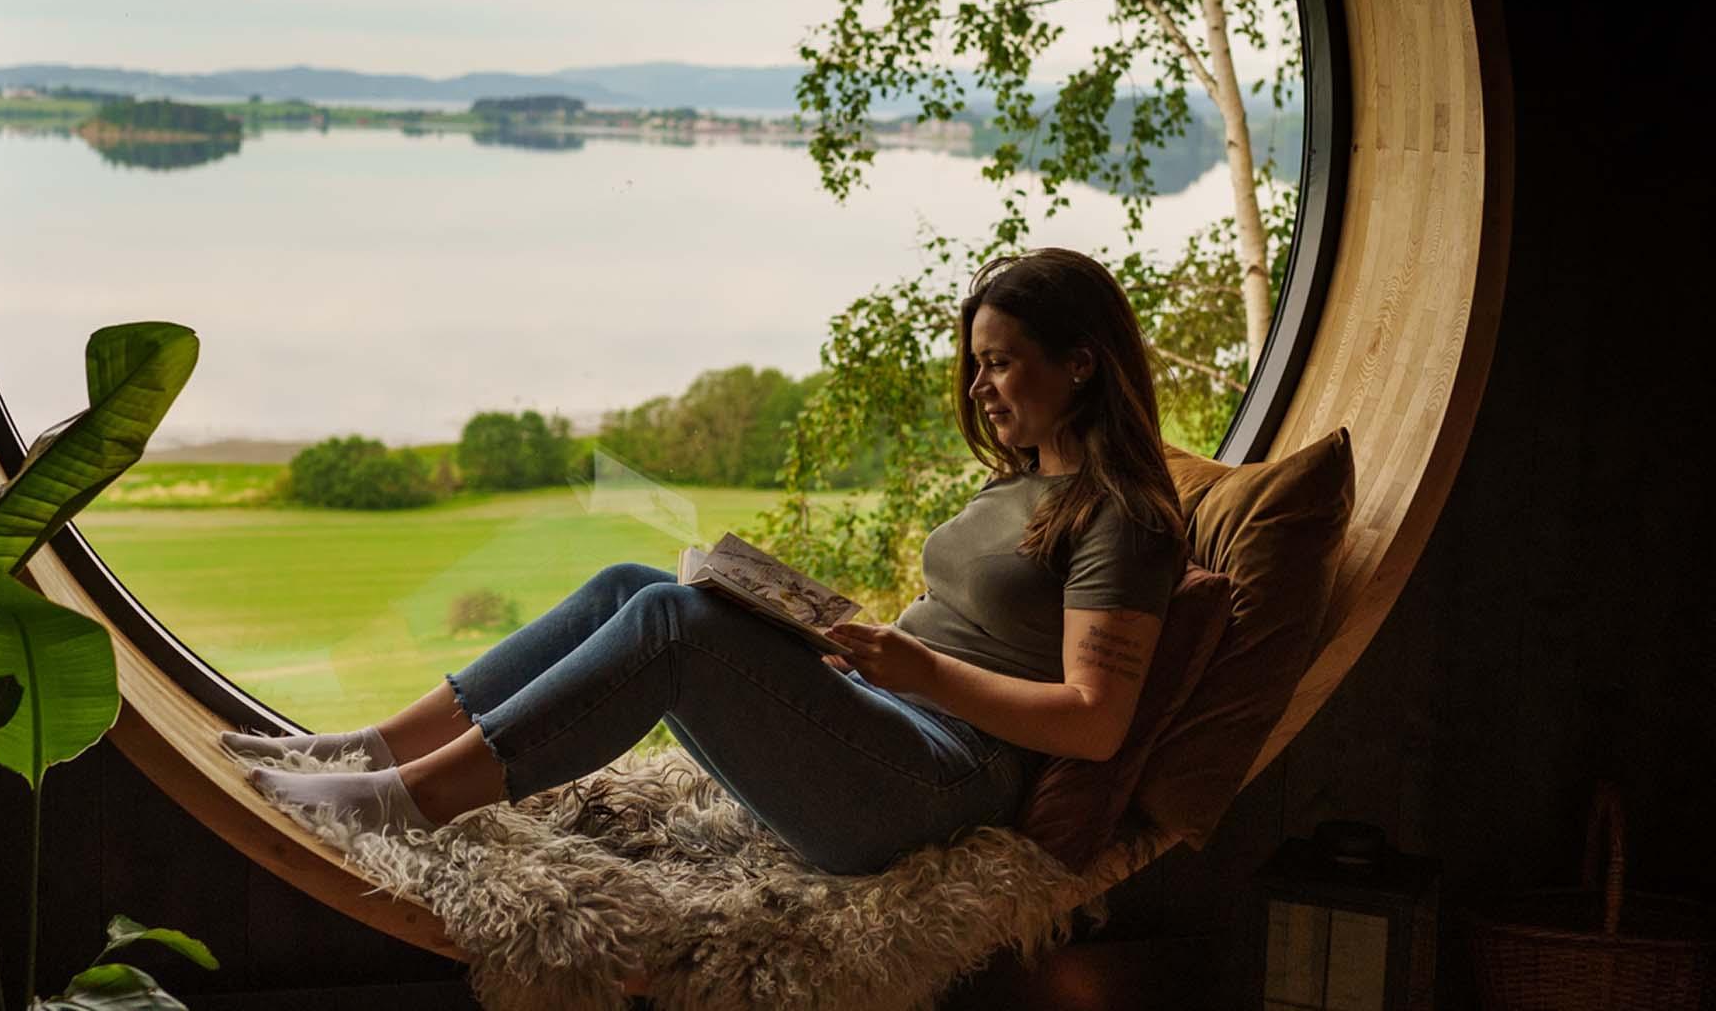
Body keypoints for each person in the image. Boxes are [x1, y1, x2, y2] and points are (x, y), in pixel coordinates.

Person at [224, 247, 1186, 876]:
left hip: (938, 781)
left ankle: (404, 804)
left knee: (670, 628)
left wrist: (919, 666)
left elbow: (1096, 725)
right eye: (977, 363)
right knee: (630, 586)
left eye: (1002, 361)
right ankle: (372, 750)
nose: (979, 387)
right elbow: (977, 628)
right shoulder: (1018, 484)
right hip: (890, 722)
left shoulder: (1124, 520)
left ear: (1082, 365)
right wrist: (838, 636)